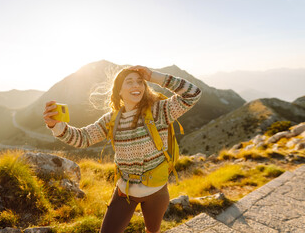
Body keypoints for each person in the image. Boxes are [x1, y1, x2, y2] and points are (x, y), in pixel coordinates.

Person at [43, 65, 202, 233]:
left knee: (152, 231)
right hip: (124, 193)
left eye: (140, 82)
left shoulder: (159, 111)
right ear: (119, 90)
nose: (136, 85)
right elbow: (82, 138)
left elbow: (193, 94)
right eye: (129, 82)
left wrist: (154, 76)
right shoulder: (110, 120)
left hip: (157, 192)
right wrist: (56, 126)